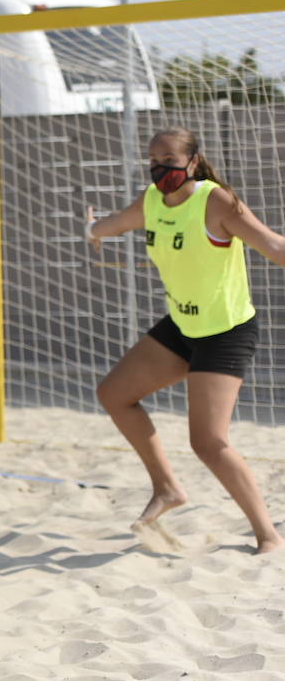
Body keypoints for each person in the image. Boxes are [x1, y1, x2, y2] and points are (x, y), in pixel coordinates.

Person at [87, 126, 285, 555]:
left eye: (170, 164)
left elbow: (274, 247)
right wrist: (93, 229)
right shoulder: (152, 199)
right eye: (154, 163)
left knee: (208, 442)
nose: (161, 171)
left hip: (225, 331)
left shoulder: (215, 201)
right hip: (182, 326)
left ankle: (268, 535)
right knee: (113, 394)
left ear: (192, 163)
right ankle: (167, 488)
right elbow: (117, 221)